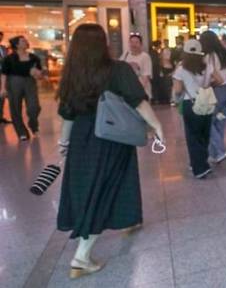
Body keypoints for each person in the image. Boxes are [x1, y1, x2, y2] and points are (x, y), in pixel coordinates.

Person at [56, 24, 164, 279]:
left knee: (88, 190)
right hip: (110, 140)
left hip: (82, 140)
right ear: (102, 43)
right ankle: (81, 256)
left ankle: (122, 223)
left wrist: (63, 144)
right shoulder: (118, 69)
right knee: (104, 191)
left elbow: (67, 115)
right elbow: (137, 100)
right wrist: (157, 125)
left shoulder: (73, 73)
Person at [173, 39, 213, 179]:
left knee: (193, 137)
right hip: (206, 102)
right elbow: (209, 83)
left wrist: (184, 86)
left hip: (190, 104)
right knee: (204, 134)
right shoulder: (206, 66)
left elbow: (177, 90)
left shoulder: (180, 69)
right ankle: (201, 162)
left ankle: (199, 168)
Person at [201, 32, 226, 162]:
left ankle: (220, 149)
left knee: (207, 122)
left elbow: (211, 77)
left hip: (216, 91)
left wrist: (207, 85)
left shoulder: (208, 57)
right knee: (220, 120)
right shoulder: (225, 54)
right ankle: (214, 153)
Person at [0, 36, 43, 140]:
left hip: (30, 83)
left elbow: (40, 74)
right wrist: (3, 88)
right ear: (17, 45)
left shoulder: (34, 57)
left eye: (26, 40)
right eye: (23, 41)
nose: (26, 42)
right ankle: (21, 133)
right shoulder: (9, 58)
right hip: (14, 82)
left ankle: (33, 126)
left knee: (34, 107)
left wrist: (38, 74)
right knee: (15, 108)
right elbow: (4, 73)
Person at [121, 34, 153, 100]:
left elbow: (146, 77)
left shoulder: (145, 57)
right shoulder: (125, 55)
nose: (133, 45)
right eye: (131, 42)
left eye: (136, 42)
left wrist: (136, 91)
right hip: (127, 92)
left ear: (141, 44)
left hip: (141, 92)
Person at [0, 31, 10, 124]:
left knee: (2, 97)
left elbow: (6, 60)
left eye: (1, 37)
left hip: (3, 74)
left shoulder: (3, 48)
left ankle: (1, 116)